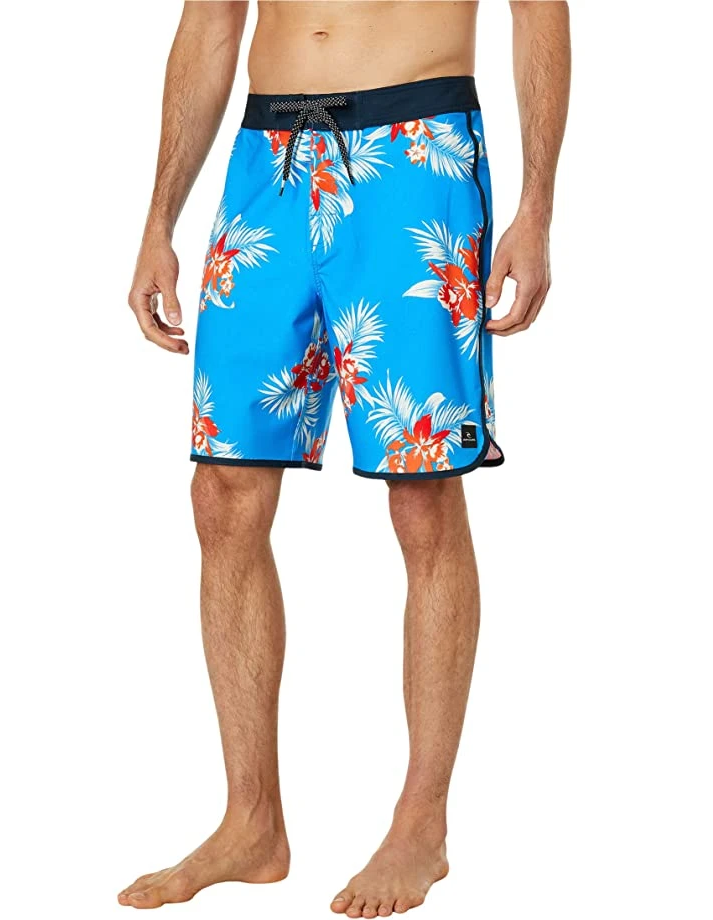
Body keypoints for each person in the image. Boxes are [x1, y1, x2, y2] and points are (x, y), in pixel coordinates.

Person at [120, 1, 570, 916]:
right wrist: (157, 221)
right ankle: (251, 822)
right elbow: (210, 24)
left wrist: (536, 208)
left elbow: (539, 8)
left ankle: (421, 825)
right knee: (223, 491)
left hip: (417, 155)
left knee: (422, 494)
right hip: (267, 165)